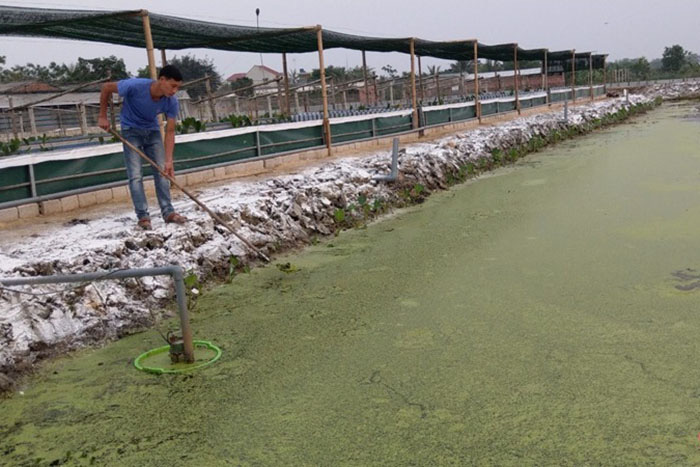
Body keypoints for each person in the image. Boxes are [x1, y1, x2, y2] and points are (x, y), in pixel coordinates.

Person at [98, 65, 187, 230]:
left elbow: (170, 131)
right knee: (136, 175)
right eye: (172, 85)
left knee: (162, 172)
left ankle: (168, 212)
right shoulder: (135, 86)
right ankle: (143, 217)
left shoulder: (171, 102)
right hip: (131, 130)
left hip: (152, 132)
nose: (174, 90)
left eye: (177, 87)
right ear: (162, 80)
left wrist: (169, 161)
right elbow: (106, 88)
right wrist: (102, 116)